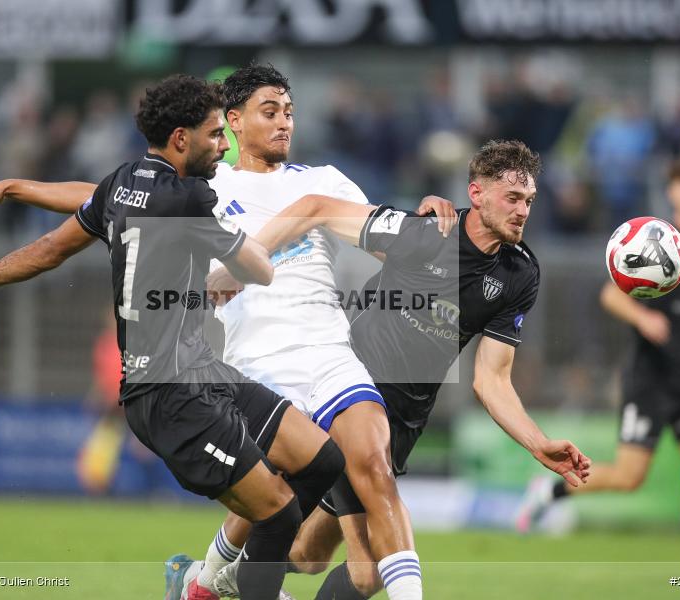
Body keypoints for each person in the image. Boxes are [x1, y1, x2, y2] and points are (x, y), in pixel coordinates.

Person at [0, 64, 449, 600]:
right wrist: (22, 188)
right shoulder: (205, 181)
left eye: (290, 113)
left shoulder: (323, 181)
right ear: (233, 121)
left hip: (327, 351)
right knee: (291, 528)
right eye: (270, 112)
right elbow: (104, 195)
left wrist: (426, 215)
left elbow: (379, 231)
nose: (285, 124)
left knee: (367, 466)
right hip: (254, 359)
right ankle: (209, 581)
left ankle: (210, 581)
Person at [204, 139, 591, 599]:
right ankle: (215, 577)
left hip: (406, 418)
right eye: (512, 198)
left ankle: (215, 576)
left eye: (528, 200)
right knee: (366, 572)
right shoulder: (426, 232)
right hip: (350, 393)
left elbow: (491, 379)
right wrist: (240, 262)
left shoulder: (519, 275)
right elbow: (315, 206)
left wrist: (538, 443)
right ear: (477, 193)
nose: (522, 210)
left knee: (308, 552)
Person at [516, 158, 680, 595]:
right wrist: (642, 318)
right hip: (650, 380)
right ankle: (550, 491)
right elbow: (610, 294)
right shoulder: (653, 242)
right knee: (628, 476)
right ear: (674, 194)